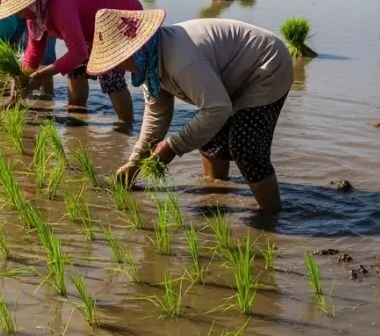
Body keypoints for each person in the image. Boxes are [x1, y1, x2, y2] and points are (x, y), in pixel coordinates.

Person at [87, 11, 293, 214]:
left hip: (266, 65)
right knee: (209, 137)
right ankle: (217, 198)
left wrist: (173, 146)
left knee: (245, 146)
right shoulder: (149, 64)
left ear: (131, 51)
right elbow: (157, 116)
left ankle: (270, 216)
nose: (115, 69)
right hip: (232, 75)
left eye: (116, 61)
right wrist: (135, 163)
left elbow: (217, 108)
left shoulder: (181, 60)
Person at [0, 0, 143, 126]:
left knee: (110, 76)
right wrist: (20, 83)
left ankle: (126, 127)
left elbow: (78, 52)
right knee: (75, 72)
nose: (18, 14)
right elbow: (34, 51)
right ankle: (77, 118)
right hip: (93, 29)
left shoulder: (59, 6)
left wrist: (41, 75)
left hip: (121, 15)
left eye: (18, 8)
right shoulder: (36, 13)